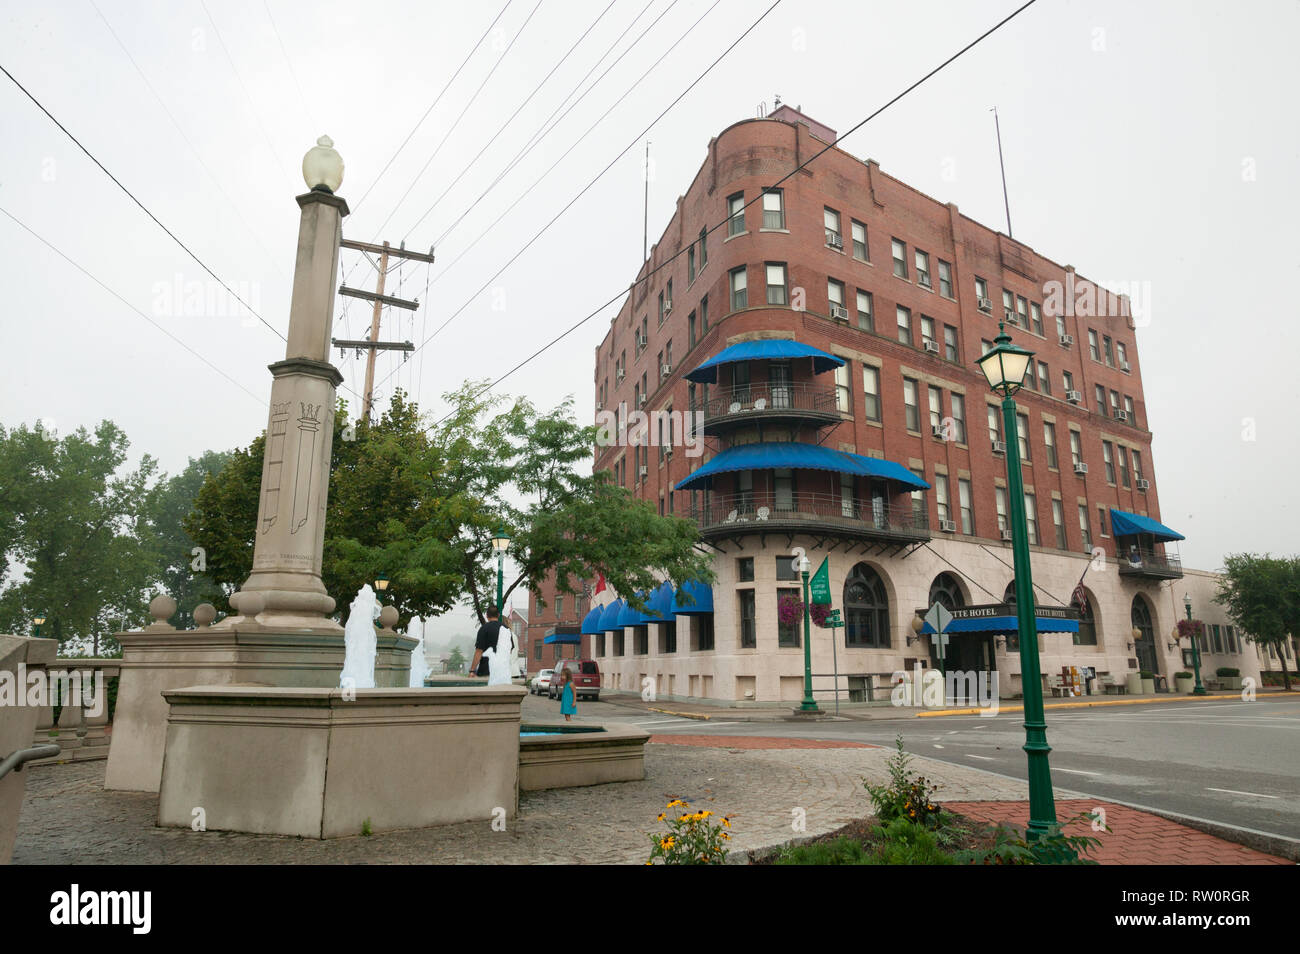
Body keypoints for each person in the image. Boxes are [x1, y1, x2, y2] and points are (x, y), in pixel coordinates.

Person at [469, 607, 504, 678]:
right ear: (498, 615)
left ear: (487, 616)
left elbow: (479, 651)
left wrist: (472, 671)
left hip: (486, 671)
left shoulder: (484, 629)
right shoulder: (506, 628)